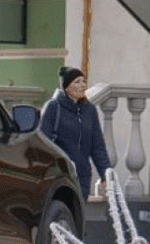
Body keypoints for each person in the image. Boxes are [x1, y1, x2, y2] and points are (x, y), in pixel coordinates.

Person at [40, 66, 111, 194]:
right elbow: (43, 142)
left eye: (84, 81)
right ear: (66, 86)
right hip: (61, 176)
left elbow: (98, 146)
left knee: (79, 212)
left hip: (83, 177)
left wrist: (105, 175)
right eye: (77, 82)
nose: (82, 85)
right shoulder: (53, 107)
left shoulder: (89, 110)